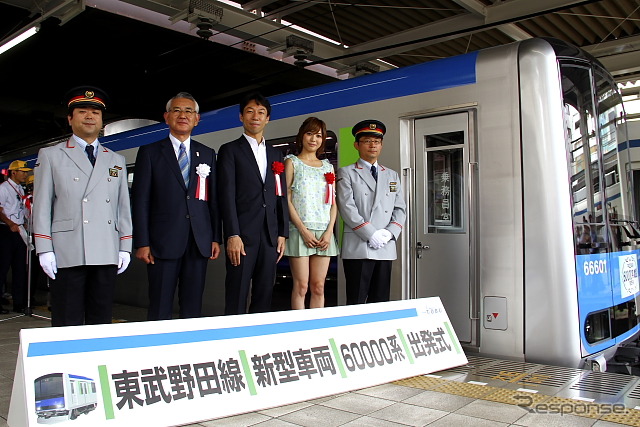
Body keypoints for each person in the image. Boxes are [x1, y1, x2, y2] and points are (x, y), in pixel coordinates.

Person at [33, 86, 133, 326]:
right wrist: (44, 248)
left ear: (102, 122)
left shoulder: (115, 159)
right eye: (82, 111)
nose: (90, 116)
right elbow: (42, 205)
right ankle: (66, 364)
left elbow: (122, 207)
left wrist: (125, 246)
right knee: (68, 319)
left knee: (100, 319)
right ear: (70, 119)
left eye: (95, 113)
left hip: (105, 250)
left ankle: (97, 363)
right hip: (67, 250)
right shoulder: (51, 155)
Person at [132, 92, 221, 320]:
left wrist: (214, 237)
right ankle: (158, 351)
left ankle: (188, 352)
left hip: (198, 242)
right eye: (177, 110)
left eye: (189, 111)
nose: (183, 115)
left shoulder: (207, 154)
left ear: (197, 119)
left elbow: (213, 200)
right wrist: (142, 242)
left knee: (193, 306)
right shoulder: (150, 152)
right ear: (167, 117)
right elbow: (140, 200)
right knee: (160, 305)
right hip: (162, 243)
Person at [217, 92, 289, 315]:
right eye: (250, 111)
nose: (255, 116)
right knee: (237, 293)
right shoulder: (229, 150)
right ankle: (232, 342)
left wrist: (282, 233)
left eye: (261, 112)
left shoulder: (276, 153)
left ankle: (256, 345)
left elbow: (280, 195)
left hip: (269, 236)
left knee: (264, 294)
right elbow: (225, 195)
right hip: (242, 237)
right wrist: (232, 234)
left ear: (268, 119)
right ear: (241, 117)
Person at [336, 119, 406, 305]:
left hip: (384, 246)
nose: (372, 145)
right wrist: (370, 233)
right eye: (367, 141)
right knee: (356, 300)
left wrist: (389, 233)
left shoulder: (392, 175)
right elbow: (347, 207)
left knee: (380, 300)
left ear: (381, 145)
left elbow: (400, 208)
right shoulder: (347, 172)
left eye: (376, 141)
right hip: (359, 246)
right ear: (356, 145)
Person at [284, 117, 338, 309]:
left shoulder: (328, 166)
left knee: (319, 286)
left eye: (319, 135)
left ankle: (318, 332)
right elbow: (286, 199)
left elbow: (333, 202)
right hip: (300, 231)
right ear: (301, 136)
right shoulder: (292, 162)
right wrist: (303, 230)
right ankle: (300, 332)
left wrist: (330, 230)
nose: (313, 139)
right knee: (301, 286)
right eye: (309, 134)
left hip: (324, 231)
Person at [0, 160, 31, 313]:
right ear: (13, 172)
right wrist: (10, 223)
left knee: (20, 268)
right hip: (6, 231)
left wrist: (23, 222)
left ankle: (19, 303)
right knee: (2, 267)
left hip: (19, 230)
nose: (26, 174)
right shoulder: (4, 189)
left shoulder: (21, 189)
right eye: (23, 171)